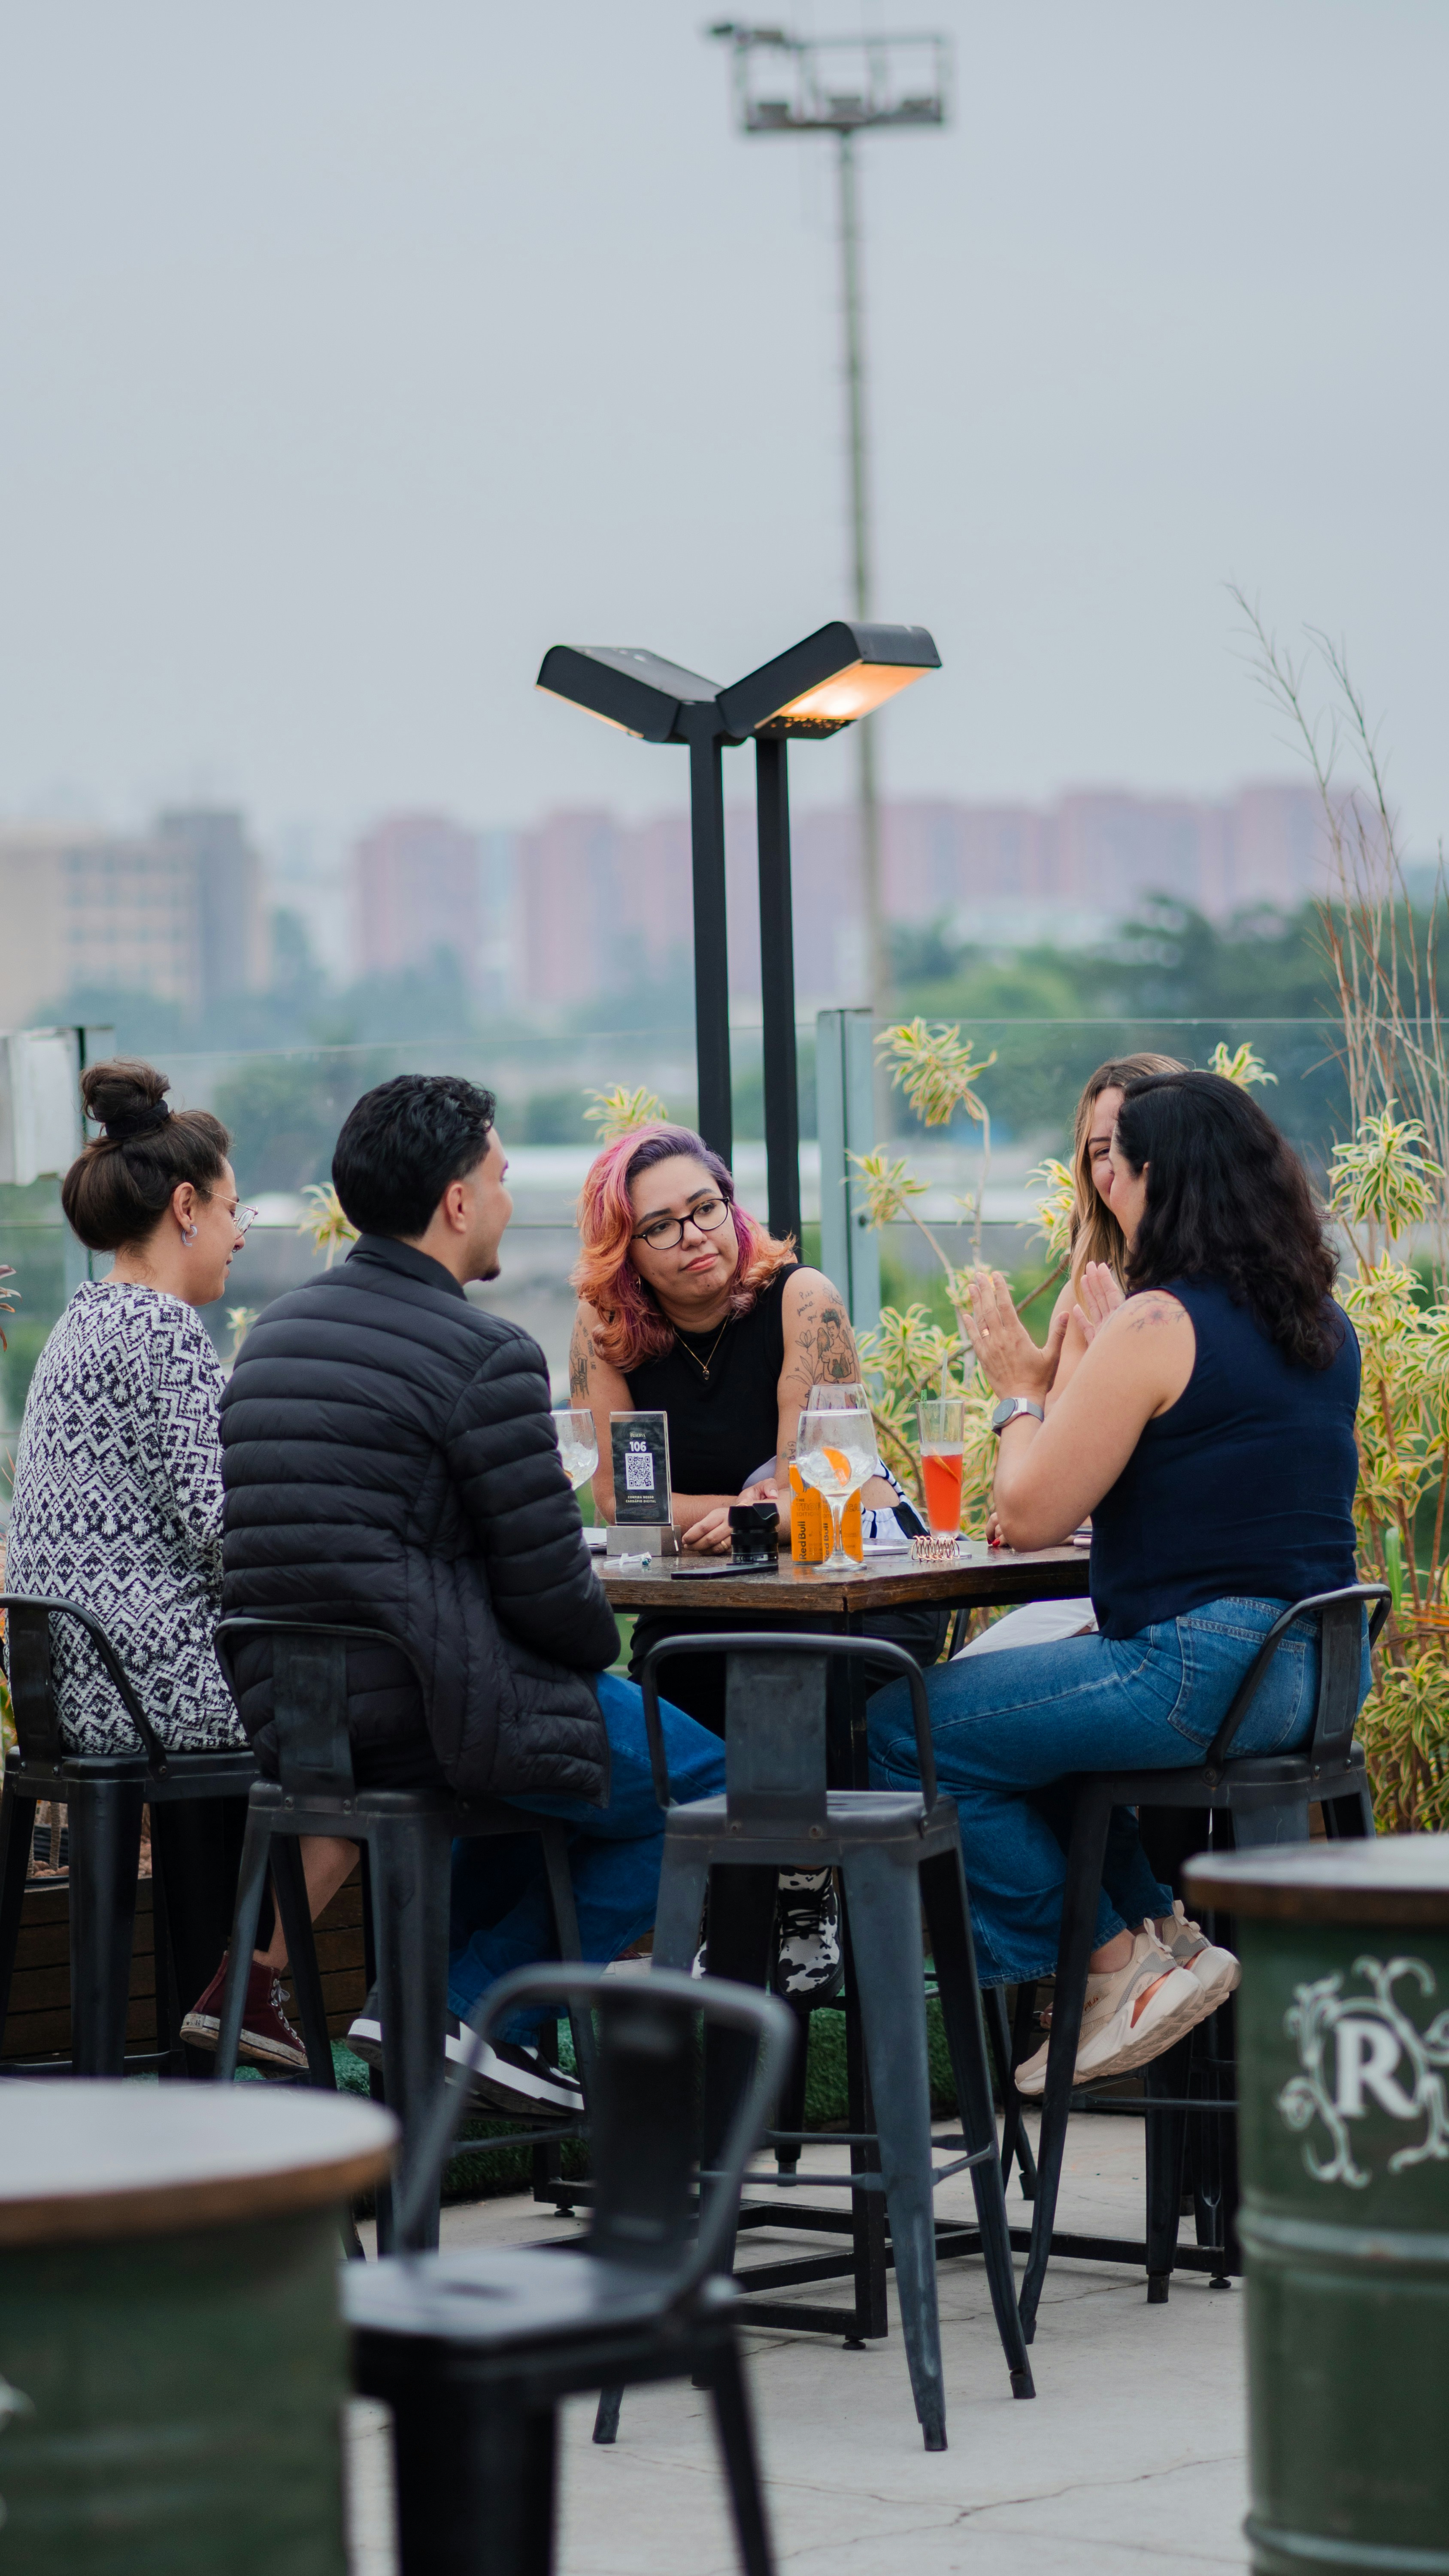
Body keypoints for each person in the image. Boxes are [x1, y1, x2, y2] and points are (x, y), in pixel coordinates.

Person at [218, 1073, 727, 2119]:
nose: (505, 1200)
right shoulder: (483, 1353)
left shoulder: (272, 1333)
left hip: (294, 1714)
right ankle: (471, 2008)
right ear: (455, 1203)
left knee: (566, 1780)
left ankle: (436, 2013)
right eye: (497, 1178)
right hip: (430, 1710)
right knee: (713, 1781)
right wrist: (598, 1653)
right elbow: (550, 1594)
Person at [869, 1069, 1366, 2092]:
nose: (1106, 1189)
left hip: (1199, 1671)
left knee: (903, 1728)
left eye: (1114, 1168)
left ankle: (1106, 1965)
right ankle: (1156, 1942)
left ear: (1153, 1181)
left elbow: (1025, 1514)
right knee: (1023, 1740)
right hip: (1314, 1673)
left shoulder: (1155, 1324)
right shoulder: (1319, 1320)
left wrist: (1019, 1393)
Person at [3, 1059, 336, 2072]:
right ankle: (243, 2001)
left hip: (72, 1685)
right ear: (185, 1206)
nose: (242, 1236)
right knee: (362, 1729)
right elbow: (222, 1534)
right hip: (146, 1695)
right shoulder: (164, 1333)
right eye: (234, 1211)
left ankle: (217, 2019)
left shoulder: (83, 1319)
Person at [570, 1121, 940, 1999]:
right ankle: (728, 1909)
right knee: (668, 1680)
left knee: (796, 1681)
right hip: (709, 1601)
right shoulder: (605, 1330)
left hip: (854, 1590)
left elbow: (808, 1483)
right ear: (623, 1247)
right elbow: (625, 1507)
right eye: (659, 1225)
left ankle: (803, 1898)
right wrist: (743, 1513)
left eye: (705, 1208)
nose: (693, 1234)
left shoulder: (798, 1298)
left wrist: (746, 1512)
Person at [958, 1050, 1186, 1662]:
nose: (1117, 1168)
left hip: (1167, 1619)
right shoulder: (1089, 1289)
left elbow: (1042, 1511)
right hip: (1104, 1595)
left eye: (1131, 1146)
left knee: (912, 1725)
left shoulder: (1201, 1306)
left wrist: (1018, 1397)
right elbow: (1042, 1499)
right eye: (1099, 1151)